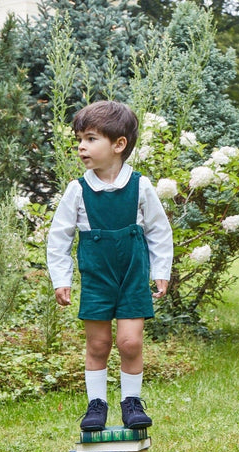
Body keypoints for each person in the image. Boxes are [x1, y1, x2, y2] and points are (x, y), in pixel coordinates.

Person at [47, 101, 173, 432]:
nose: (81, 146)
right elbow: (58, 238)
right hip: (97, 278)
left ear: (119, 145)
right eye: (79, 139)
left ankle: (131, 403)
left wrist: (161, 271)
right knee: (98, 344)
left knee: (130, 342)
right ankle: (96, 404)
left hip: (131, 276)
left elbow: (159, 232)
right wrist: (62, 279)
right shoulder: (77, 190)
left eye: (90, 139)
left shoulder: (140, 186)